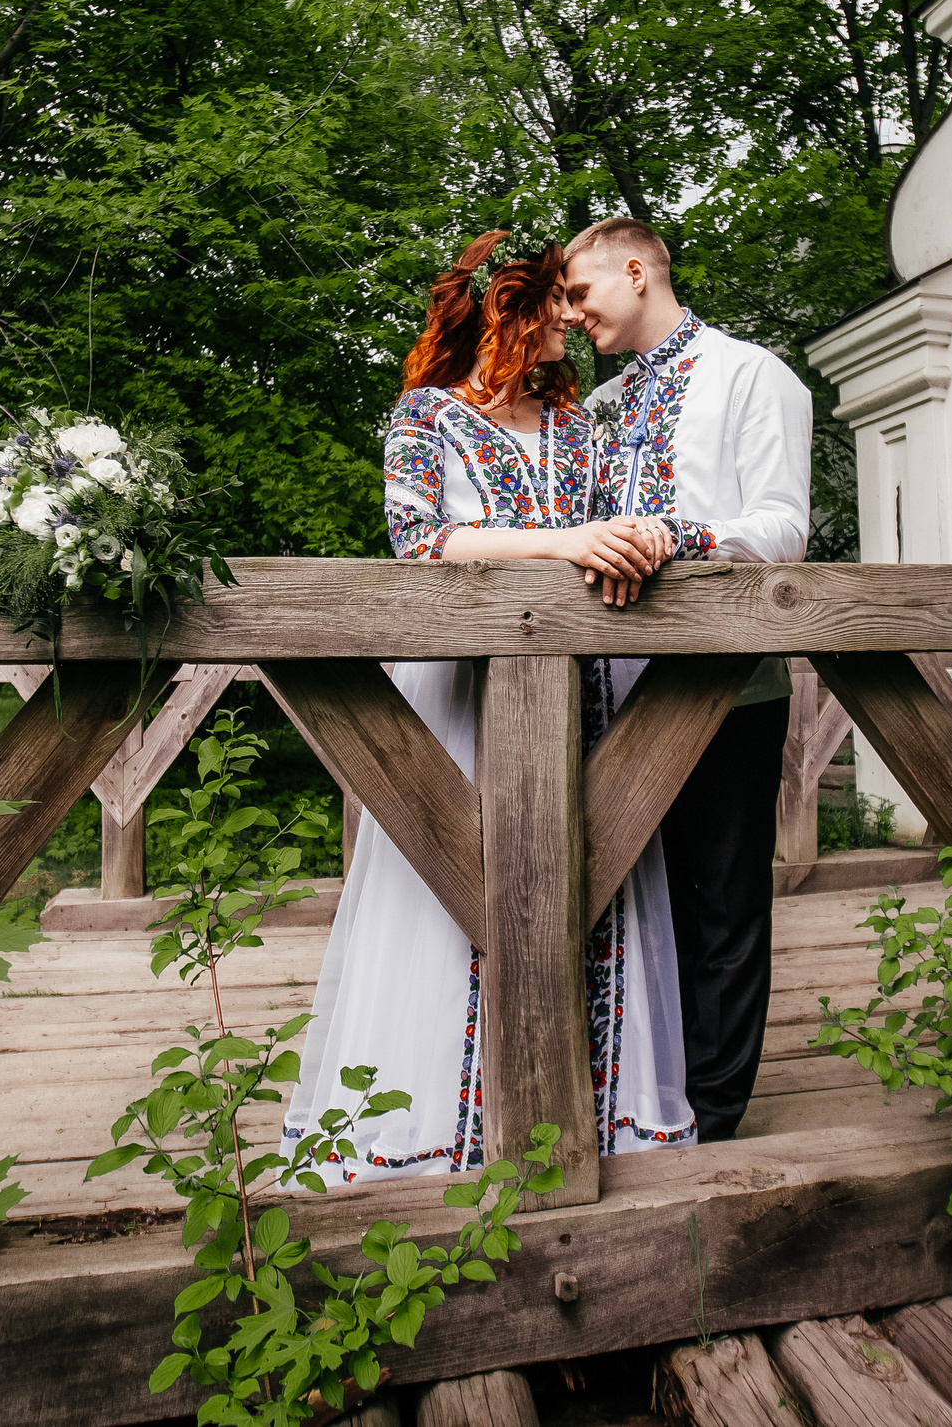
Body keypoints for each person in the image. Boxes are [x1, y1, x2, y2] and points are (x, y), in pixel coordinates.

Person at [279, 230, 701, 1180]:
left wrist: (633, 534)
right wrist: (567, 544)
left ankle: (582, 1119)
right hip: (464, 691)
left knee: (591, 871)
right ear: (505, 314)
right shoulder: (426, 419)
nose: (566, 314)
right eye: (549, 299)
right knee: (459, 885)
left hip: (579, 690)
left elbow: (610, 522)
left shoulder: (580, 428)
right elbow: (422, 543)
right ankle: (439, 1137)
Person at [560, 216, 811, 1143]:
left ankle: (714, 1115)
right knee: (629, 904)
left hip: (726, 685)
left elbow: (784, 524)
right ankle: (643, 1098)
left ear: (636, 270)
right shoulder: (602, 404)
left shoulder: (753, 375)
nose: (573, 313)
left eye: (581, 293)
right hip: (608, 695)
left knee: (723, 901)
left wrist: (678, 538)